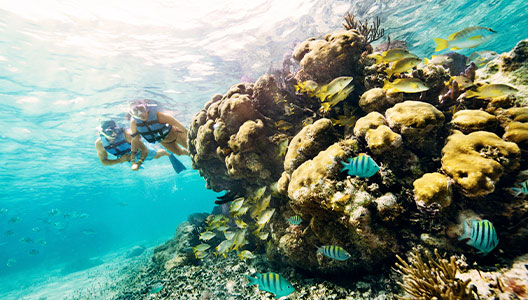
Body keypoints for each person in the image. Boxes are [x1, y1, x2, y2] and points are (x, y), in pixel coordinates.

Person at [95, 120, 185, 173]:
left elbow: (144, 150)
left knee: (156, 156)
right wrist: (120, 160)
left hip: (138, 150)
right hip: (124, 157)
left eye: (116, 130)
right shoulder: (100, 144)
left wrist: (136, 160)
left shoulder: (128, 135)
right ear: (102, 133)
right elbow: (103, 161)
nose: (114, 134)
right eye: (109, 132)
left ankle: (168, 153)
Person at [128, 100, 189, 170]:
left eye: (141, 109)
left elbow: (181, 127)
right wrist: (133, 161)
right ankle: (192, 156)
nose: (140, 114)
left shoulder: (160, 116)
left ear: (147, 108)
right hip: (163, 141)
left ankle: (198, 155)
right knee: (179, 153)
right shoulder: (134, 123)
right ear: (132, 113)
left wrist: (192, 137)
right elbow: (135, 140)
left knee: (190, 147)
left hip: (176, 134)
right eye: (135, 111)